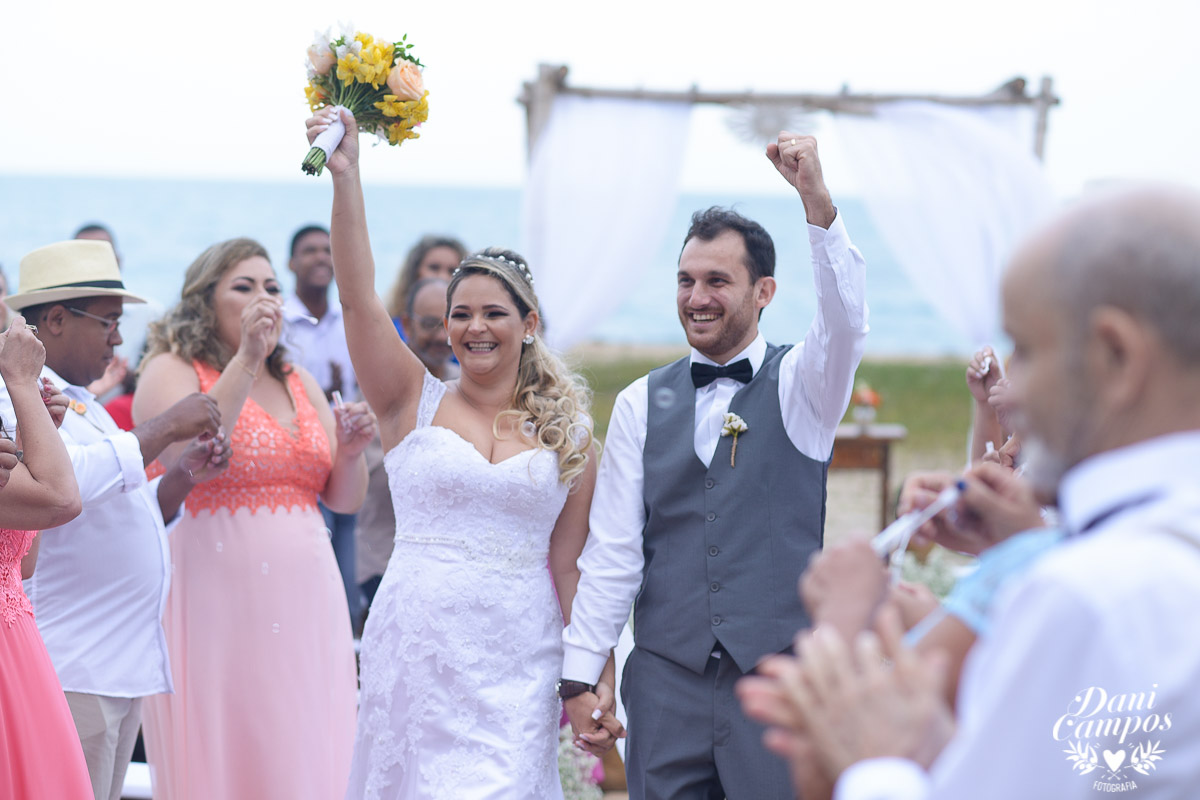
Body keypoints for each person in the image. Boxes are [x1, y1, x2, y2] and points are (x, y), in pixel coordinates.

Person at [741, 185, 1200, 798]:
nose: (1014, 393)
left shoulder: (1084, 599)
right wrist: (1026, 541)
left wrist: (871, 749)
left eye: (1029, 352)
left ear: (1116, 356)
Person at [307, 106, 615, 798]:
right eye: (461, 314)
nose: (475, 327)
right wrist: (346, 178)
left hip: (520, 653)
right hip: (418, 643)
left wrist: (594, 673)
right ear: (444, 328)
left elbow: (571, 567)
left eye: (494, 313)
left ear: (528, 324)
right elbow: (357, 301)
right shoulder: (408, 401)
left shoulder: (570, 438)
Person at [561, 133, 869, 798]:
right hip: (666, 684)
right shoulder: (641, 402)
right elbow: (615, 551)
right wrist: (582, 673)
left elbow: (845, 322)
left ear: (763, 291)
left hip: (777, 685)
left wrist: (815, 200)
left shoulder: (805, 387)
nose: (696, 298)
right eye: (685, 280)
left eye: (716, 282)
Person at [135, 237, 372, 799]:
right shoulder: (171, 369)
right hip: (216, 590)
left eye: (270, 286)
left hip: (307, 594)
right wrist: (245, 359)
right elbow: (186, 455)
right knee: (234, 734)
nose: (262, 296)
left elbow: (342, 498)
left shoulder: (298, 379)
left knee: (303, 734)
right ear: (203, 300)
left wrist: (354, 450)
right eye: (243, 287)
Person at [1, 239, 228, 800]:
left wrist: (180, 477)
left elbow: (122, 508)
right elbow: (62, 489)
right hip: (68, 662)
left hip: (117, 663)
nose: (119, 338)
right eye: (108, 322)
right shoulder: (14, 399)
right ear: (54, 320)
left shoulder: (84, 402)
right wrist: (166, 425)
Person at [0, 317, 92, 799]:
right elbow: (62, 499)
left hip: (18, 650)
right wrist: (21, 386)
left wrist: (34, 432)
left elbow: (21, 562)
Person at [356, 276, 458, 611]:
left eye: (451, 321)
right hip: (385, 563)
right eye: (430, 324)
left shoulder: (468, 390)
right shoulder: (380, 392)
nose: (442, 336)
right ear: (407, 325)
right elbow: (378, 477)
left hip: (453, 569)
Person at [281, 223, 361, 625]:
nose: (320, 258)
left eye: (327, 251)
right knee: (315, 543)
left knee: (348, 548)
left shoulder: (350, 320)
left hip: (347, 450)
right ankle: (310, 621)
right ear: (291, 262)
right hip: (301, 453)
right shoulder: (279, 324)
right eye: (310, 250)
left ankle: (344, 627)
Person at [384, 234, 467, 339]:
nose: (443, 277)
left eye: (452, 271)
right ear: (415, 273)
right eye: (434, 268)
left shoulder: (469, 334)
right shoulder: (389, 333)